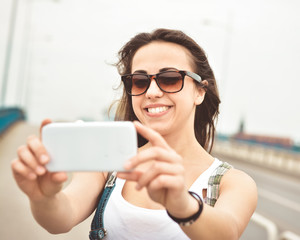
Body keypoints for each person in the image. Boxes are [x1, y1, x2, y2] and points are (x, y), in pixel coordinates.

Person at [11, 28, 257, 239]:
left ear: (200, 92)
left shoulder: (231, 182)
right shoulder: (107, 163)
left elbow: (228, 232)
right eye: (139, 81)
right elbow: (61, 218)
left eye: (169, 78)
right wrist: (42, 199)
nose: (151, 91)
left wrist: (182, 204)